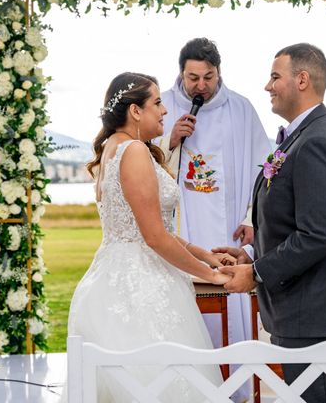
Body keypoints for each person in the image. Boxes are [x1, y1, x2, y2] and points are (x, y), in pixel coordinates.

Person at [65, 72, 234, 402]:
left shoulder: (111, 150)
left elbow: (150, 229)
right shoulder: (134, 152)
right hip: (141, 289)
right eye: (157, 102)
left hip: (108, 280)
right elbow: (155, 238)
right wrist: (212, 275)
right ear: (135, 111)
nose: (165, 110)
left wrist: (205, 254)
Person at [215, 43, 326, 402]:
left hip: (313, 309)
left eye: (274, 77)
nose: (267, 86)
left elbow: (318, 234)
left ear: (302, 80)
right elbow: (290, 220)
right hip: (301, 307)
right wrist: (251, 253)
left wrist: (255, 274)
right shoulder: (301, 136)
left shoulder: (317, 141)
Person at [158, 38, 271, 363]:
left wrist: (252, 219)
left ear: (218, 73)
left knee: (233, 313)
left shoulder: (240, 108)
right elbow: (142, 164)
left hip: (229, 230)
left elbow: (264, 169)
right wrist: (171, 140)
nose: (201, 85)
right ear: (181, 74)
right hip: (183, 229)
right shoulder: (162, 106)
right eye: (193, 78)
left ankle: (238, 383)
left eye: (208, 77)